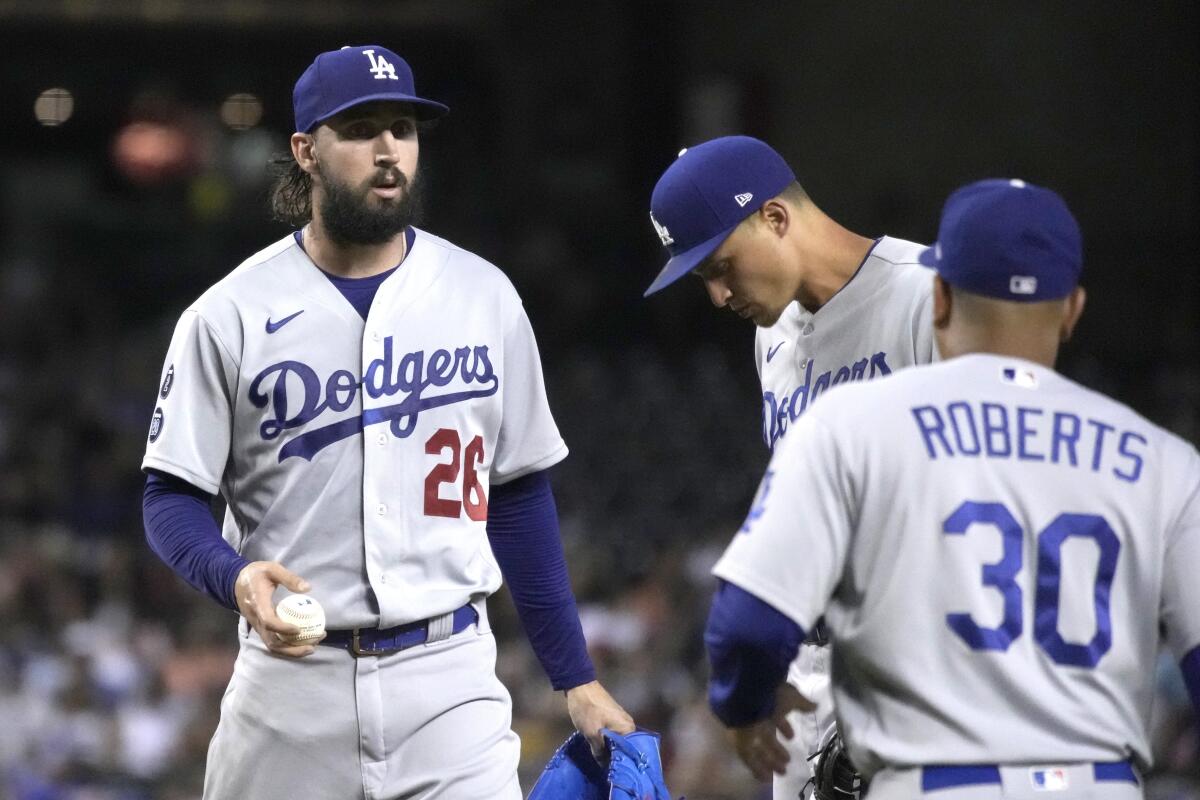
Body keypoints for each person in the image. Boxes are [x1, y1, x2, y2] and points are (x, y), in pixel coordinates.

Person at [140, 44, 633, 799]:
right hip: (289, 691)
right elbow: (169, 499)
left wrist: (576, 678)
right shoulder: (228, 314)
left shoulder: (483, 295)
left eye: (402, 128)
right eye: (361, 129)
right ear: (305, 150)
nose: (387, 151)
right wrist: (233, 576)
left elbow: (519, 494)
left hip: (449, 683)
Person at [704, 178, 1200, 799]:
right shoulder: (1165, 464)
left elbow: (744, 626)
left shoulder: (848, 429)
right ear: (1072, 310)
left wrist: (745, 705)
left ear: (937, 298)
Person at [644, 135, 935, 796]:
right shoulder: (770, 336)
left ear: (775, 218)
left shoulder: (928, 297)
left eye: (721, 267)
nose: (718, 297)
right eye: (703, 281)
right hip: (809, 681)